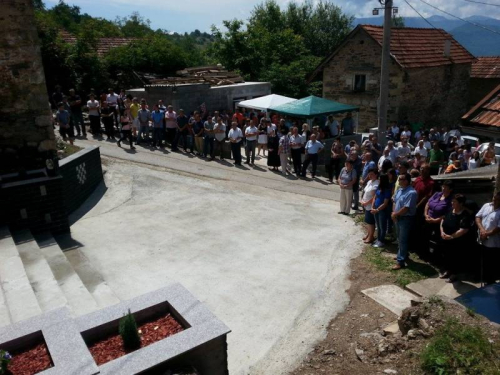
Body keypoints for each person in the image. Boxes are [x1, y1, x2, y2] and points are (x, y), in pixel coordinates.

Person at [438, 194, 473, 282]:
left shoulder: (464, 215)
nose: (452, 203)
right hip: (445, 239)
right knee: (446, 256)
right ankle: (447, 271)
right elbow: (443, 220)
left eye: (454, 202)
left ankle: (453, 275)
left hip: (456, 241)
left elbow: (464, 229)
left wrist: (451, 236)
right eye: (452, 201)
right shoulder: (450, 210)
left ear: (461, 204)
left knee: (455, 258)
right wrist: (442, 232)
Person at [391, 173, 418, 270]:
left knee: (403, 239)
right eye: (399, 179)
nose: (399, 181)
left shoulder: (412, 193)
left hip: (405, 219)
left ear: (407, 181)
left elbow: (406, 208)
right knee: (399, 237)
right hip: (397, 217)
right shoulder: (399, 190)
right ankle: (402, 254)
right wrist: (394, 213)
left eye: (401, 179)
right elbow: (394, 201)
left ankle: (400, 261)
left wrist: (396, 214)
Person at [475, 192, 500, 284]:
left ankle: (490, 282)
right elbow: (478, 217)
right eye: (494, 198)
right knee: (481, 261)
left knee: (491, 263)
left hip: (493, 243)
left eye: (498, 200)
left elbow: (498, 228)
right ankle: (481, 278)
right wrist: (482, 230)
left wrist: (487, 234)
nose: (495, 201)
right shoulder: (486, 205)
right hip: (481, 238)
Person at [371, 174, 392, 248]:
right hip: (375, 209)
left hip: (382, 210)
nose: (379, 180)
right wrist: (373, 205)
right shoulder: (379, 188)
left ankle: (381, 241)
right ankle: (378, 239)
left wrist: (377, 209)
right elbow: (375, 197)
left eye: (380, 179)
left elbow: (385, 203)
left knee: (382, 226)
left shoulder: (387, 190)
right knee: (378, 226)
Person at [361, 169, 379, 244]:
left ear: (376, 175)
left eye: (372, 174)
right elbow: (365, 192)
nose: (370, 176)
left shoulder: (376, 184)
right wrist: (362, 200)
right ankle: (368, 234)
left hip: (370, 205)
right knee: (368, 221)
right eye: (369, 174)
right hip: (365, 204)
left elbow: (374, 197)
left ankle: (371, 236)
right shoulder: (369, 182)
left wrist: (366, 203)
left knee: (371, 222)